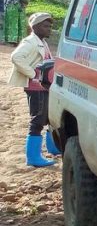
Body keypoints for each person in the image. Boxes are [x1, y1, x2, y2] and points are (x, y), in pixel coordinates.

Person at [9, 13, 60, 167]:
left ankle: (54, 148)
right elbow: (16, 57)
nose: (49, 29)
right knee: (37, 120)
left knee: (49, 117)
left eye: (50, 26)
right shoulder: (30, 42)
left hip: (43, 86)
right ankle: (33, 157)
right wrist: (32, 74)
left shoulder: (41, 41)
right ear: (35, 27)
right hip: (35, 87)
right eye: (45, 26)